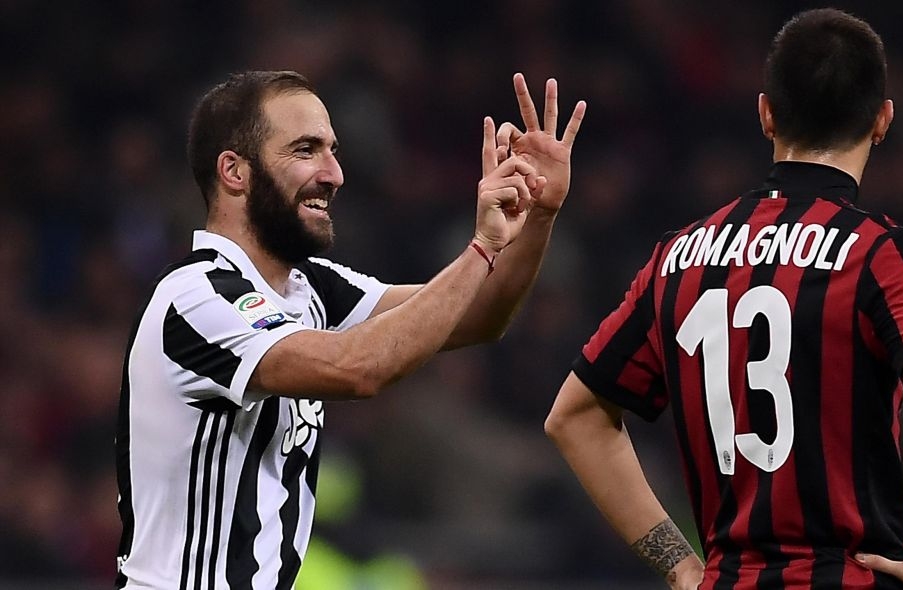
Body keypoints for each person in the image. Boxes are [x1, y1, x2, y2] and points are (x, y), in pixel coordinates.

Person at [545, 8, 903, 590]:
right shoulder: (881, 252)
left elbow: (574, 416)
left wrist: (681, 567)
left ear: (766, 114)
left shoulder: (678, 257)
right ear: (882, 120)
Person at [114, 70, 585, 589]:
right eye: (305, 150)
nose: (334, 174)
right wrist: (482, 248)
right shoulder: (195, 296)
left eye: (332, 151)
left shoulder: (311, 288)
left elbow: (476, 316)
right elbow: (357, 368)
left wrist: (537, 214)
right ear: (235, 171)